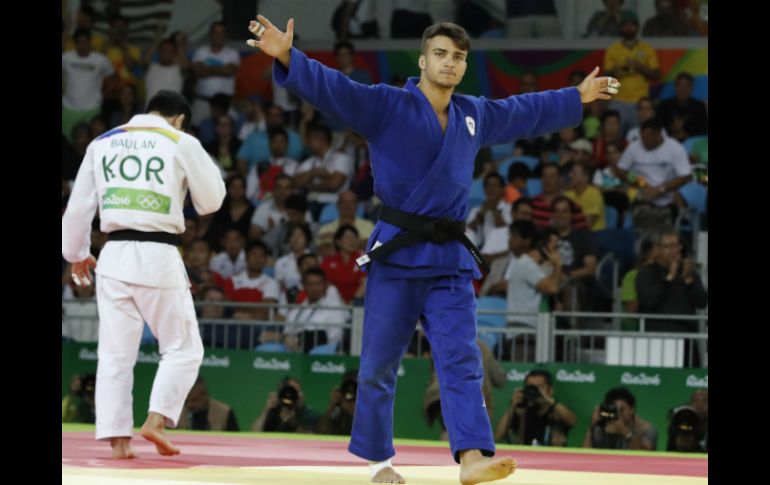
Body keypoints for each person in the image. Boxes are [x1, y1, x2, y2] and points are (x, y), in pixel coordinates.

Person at [247, 16, 617, 484]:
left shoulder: (473, 114)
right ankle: (380, 463)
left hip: (447, 256)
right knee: (379, 364)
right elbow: (335, 88)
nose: (449, 63)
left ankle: (472, 457)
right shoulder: (386, 104)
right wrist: (286, 56)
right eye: (441, 54)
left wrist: (575, 97)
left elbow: (521, 111)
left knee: (462, 358)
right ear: (423, 60)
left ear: (464, 66)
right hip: (398, 253)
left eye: (458, 57)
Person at [61, 90, 226, 459]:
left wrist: (77, 254)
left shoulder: (102, 142)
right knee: (183, 348)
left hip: (113, 256)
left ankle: (118, 441)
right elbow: (211, 202)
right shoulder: (181, 141)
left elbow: (77, 209)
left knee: (115, 355)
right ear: (180, 118)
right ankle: (156, 419)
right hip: (159, 255)